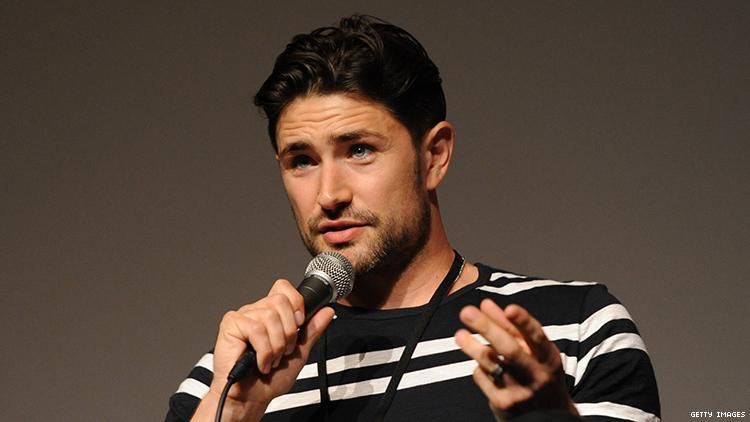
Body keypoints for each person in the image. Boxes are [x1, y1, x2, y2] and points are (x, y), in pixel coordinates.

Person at [166, 15, 660, 422]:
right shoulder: (232, 373)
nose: (329, 194)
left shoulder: (573, 330)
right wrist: (235, 410)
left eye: (359, 150)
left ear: (434, 156)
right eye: (302, 161)